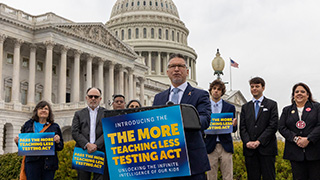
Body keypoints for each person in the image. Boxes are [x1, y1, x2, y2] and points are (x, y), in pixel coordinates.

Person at [153, 53, 211, 180]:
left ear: (187, 71)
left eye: (180, 66)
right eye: (173, 66)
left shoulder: (200, 95)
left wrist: (179, 122)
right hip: (165, 161)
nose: (176, 69)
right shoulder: (159, 98)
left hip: (192, 160)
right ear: (167, 71)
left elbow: (205, 120)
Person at [278, 82, 320, 179]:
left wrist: (308, 139)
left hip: (315, 152)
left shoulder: (317, 107)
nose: (299, 93)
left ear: (308, 95)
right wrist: (295, 139)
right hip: (295, 152)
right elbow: (282, 127)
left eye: (302, 91)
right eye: (296, 92)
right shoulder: (287, 110)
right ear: (293, 95)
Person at [240, 77, 278, 180]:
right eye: (252, 87)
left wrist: (259, 141)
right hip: (250, 151)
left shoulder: (272, 104)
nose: (254, 89)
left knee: (269, 177)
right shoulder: (245, 107)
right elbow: (242, 127)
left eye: (257, 86)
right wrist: (247, 142)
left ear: (263, 88)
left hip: (266, 149)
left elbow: (273, 126)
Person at [14, 100, 63, 180]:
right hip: (32, 163)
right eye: (41, 108)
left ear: (49, 112)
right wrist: (17, 142)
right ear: (36, 111)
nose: (43, 110)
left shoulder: (54, 126)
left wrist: (57, 142)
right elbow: (24, 145)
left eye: (46, 109)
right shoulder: (28, 124)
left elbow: (60, 147)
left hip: (48, 163)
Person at [71, 87, 109, 180]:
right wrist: (87, 144)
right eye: (90, 96)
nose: (93, 99)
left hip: (100, 151)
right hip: (83, 151)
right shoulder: (78, 114)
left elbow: (108, 131)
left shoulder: (106, 113)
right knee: (83, 178)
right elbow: (75, 131)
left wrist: (96, 145)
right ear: (86, 98)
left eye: (96, 97)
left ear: (100, 99)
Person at [204, 79, 237, 180]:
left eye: (219, 89)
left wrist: (234, 125)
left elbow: (234, 129)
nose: (216, 91)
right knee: (211, 176)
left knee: (228, 175)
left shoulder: (230, 107)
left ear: (222, 92)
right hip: (210, 145)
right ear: (211, 90)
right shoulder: (205, 107)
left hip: (225, 145)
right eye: (214, 88)